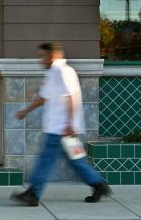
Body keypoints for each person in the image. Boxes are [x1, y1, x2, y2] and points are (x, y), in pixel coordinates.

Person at [10, 42, 111, 206]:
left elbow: (70, 96)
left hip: (60, 127)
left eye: (42, 56)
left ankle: (33, 193)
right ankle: (99, 184)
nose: (40, 60)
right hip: (61, 127)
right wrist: (25, 111)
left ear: (53, 55)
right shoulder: (54, 72)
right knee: (75, 159)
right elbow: (44, 98)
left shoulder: (60, 71)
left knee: (45, 160)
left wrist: (69, 123)